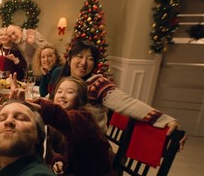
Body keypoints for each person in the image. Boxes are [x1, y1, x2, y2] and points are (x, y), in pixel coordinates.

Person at [51, 40, 186, 149]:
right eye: (79, 56)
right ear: (69, 60)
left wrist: (165, 120)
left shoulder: (98, 83)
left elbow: (127, 103)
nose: (84, 62)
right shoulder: (65, 79)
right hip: (64, 139)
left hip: (88, 146)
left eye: (90, 58)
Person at [13, 76, 116, 176]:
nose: (62, 95)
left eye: (70, 92)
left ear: (80, 98)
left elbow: (59, 116)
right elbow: (66, 151)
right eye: (59, 91)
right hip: (76, 170)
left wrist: (27, 105)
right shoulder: (58, 123)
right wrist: (59, 160)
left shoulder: (82, 119)